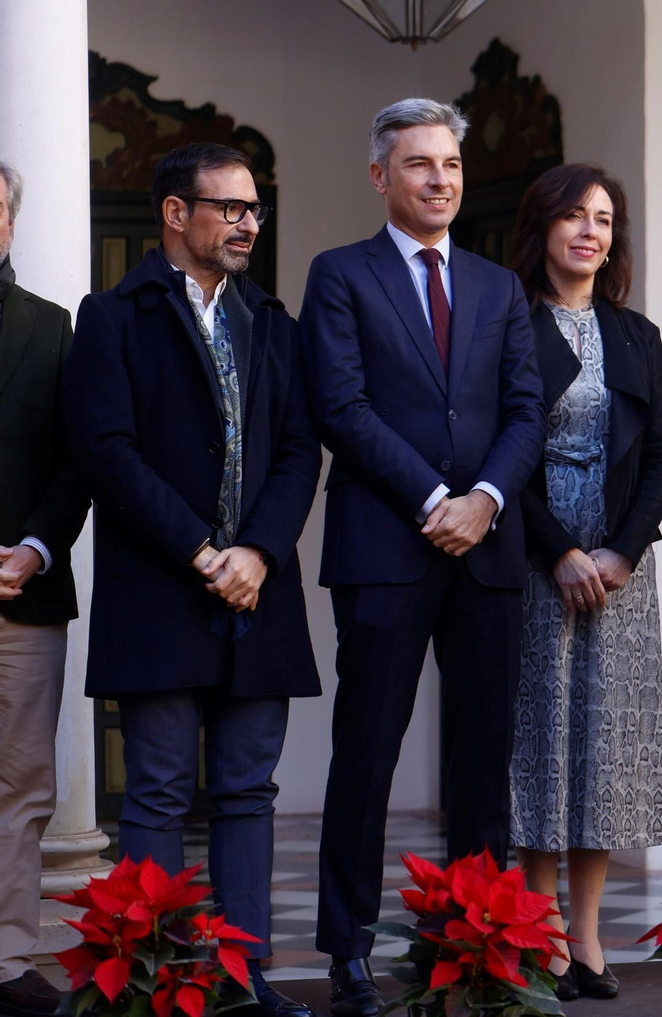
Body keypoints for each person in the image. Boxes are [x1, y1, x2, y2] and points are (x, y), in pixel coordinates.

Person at [63, 143, 321, 1017]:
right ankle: (151, 985)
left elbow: (297, 452)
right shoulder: (112, 317)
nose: (249, 223)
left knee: (250, 791)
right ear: (177, 214)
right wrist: (201, 552)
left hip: (259, 594)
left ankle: (244, 983)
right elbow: (105, 451)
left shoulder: (274, 324)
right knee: (161, 790)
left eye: (254, 209)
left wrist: (256, 554)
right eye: (231, 208)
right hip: (160, 590)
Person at [299, 99, 545, 1016]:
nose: (439, 179)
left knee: (484, 760)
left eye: (449, 164)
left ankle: (473, 941)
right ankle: (349, 950)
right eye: (418, 165)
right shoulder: (340, 275)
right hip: (386, 548)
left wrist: (483, 500)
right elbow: (341, 406)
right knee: (366, 752)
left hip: (487, 552)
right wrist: (435, 499)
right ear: (380, 177)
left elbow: (527, 410)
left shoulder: (496, 286)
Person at [505, 164, 662, 1001]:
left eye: (604, 219)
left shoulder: (637, 334)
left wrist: (623, 552)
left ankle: (587, 937)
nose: (590, 231)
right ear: (541, 227)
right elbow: (494, 455)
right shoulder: (506, 323)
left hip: (620, 569)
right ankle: (537, 934)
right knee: (544, 744)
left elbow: (660, 457)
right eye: (573, 215)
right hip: (537, 557)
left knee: (608, 750)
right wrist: (560, 552)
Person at [0, 159, 90, 1017]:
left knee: (21, 789)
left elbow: (77, 465)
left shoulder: (50, 327)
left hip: (19, 599)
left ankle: (4, 960)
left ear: (10, 221)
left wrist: (33, 548)